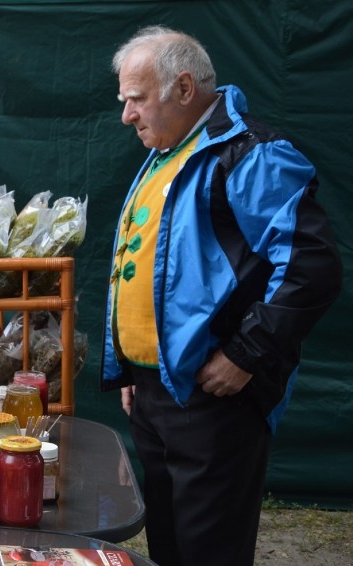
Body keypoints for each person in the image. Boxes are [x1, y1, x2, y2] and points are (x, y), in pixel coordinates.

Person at [103, 26, 342, 566]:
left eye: (137, 100)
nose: (127, 116)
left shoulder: (251, 153)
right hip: (154, 393)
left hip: (216, 397)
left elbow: (312, 265)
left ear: (184, 89)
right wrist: (132, 366)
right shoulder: (166, 153)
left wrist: (245, 354)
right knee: (167, 544)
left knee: (209, 551)